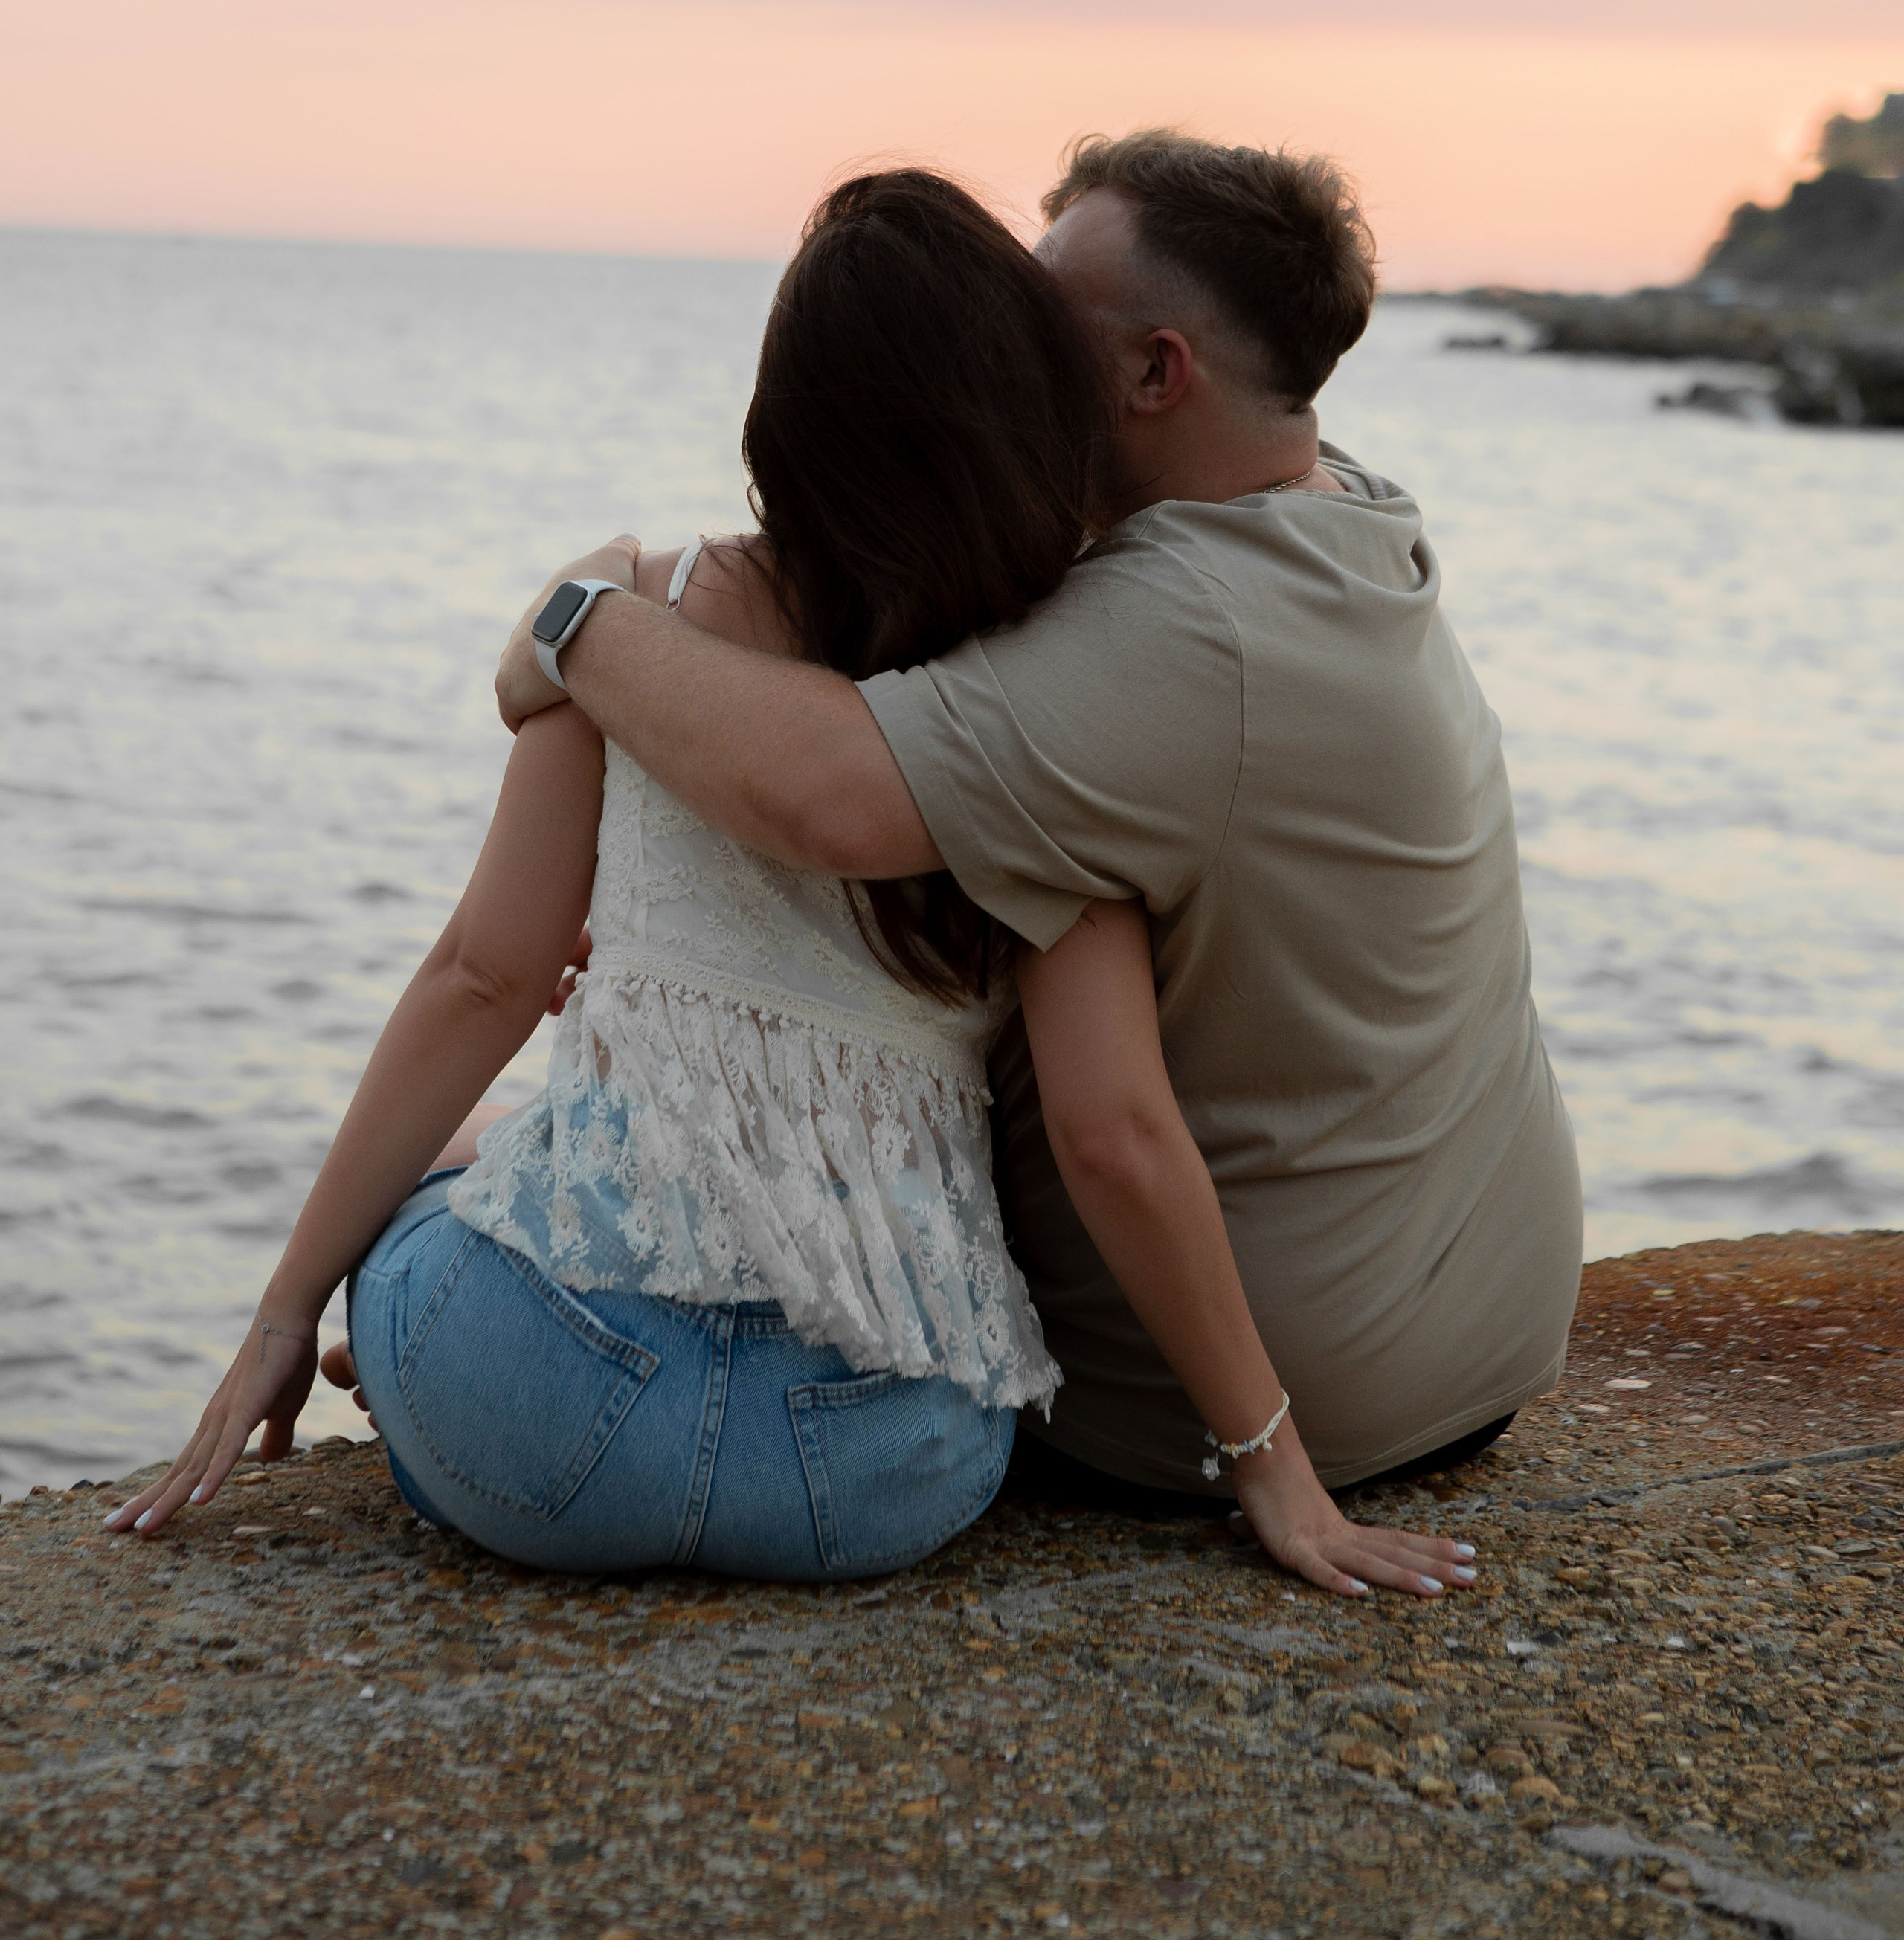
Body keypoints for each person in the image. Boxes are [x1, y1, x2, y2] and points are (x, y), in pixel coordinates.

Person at [109, 168, 1473, 1599]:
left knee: (456, 1176)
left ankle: (433, 1393)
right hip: (883, 1472)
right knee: (512, 1149)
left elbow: (487, 978)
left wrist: (282, 1309)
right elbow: (1116, 1131)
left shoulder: (640, 627)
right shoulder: (1050, 720)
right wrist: (1271, 1460)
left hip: (543, 1412)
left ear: (783, 418)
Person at [492, 129, 1583, 1516]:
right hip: (1479, 1329)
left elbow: (829, 795)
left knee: (531, 1150)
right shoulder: (1338, 509)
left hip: (1251, 1402)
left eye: (1035, 320)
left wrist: (585, 619)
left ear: (1153, 372)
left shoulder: (1179, 629)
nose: (996, 345)